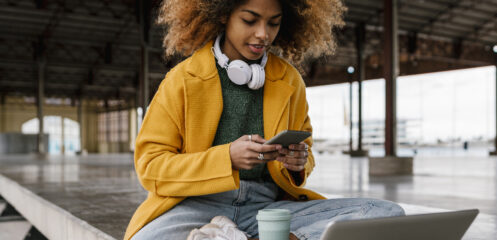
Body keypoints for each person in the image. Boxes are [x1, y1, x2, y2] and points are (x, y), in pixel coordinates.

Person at [124, 0, 405, 239]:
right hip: (194, 206)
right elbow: (150, 167)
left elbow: (305, 148)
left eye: (273, 23)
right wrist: (227, 158)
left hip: (268, 209)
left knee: (384, 213)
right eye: (250, 20)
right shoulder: (182, 81)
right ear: (223, 14)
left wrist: (297, 163)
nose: (263, 34)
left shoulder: (289, 80)